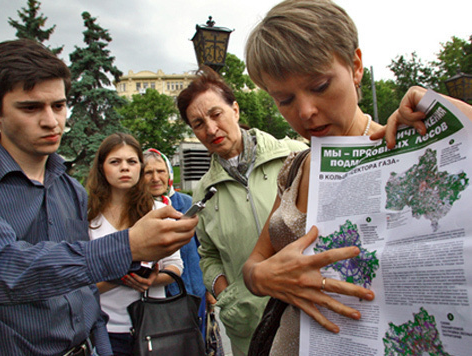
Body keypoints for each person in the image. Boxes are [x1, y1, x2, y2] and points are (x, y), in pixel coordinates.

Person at [242, 1, 472, 355]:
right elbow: (255, 262)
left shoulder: (410, 153)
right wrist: (261, 278)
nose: (305, 111)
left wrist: (457, 118)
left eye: (319, 86)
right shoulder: (295, 168)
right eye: (284, 99)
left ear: (356, 66)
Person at [0, 38, 197, 356]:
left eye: (59, 106)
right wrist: (128, 246)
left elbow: (85, 293)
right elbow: (7, 270)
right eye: (31, 107)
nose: (51, 121)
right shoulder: (88, 202)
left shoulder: (70, 191)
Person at [176, 66, 308, 356]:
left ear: (235, 109)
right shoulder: (203, 193)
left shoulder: (296, 156)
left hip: (308, 315)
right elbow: (207, 255)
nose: (210, 129)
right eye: (198, 123)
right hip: (248, 328)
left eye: (216, 114)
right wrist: (227, 293)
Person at [87, 133, 184, 355]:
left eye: (131, 162)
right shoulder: (88, 217)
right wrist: (121, 279)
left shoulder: (159, 211)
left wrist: (152, 280)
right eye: (115, 162)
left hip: (154, 325)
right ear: (102, 168)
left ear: (140, 167)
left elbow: (176, 266)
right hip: (106, 330)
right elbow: (81, 281)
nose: (125, 168)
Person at [143, 148, 208, 338]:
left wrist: (210, 291)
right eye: (148, 172)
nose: (156, 178)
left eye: (161, 171)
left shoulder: (187, 204)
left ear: (169, 173)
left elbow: (203, 248)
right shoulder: (137, 211)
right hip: (160, 299)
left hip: (194, 293)